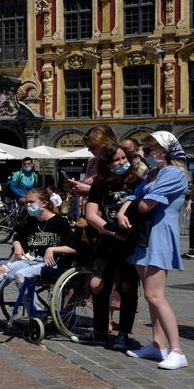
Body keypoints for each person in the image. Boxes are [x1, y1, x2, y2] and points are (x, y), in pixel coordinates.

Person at [117, 131, 188, 370]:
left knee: (155, 295)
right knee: (151, 296)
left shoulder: (174, 172)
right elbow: (134, 196)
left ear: (164, 150)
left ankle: (177, 349)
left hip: (159, 234)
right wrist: (121, 211)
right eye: (144, 150)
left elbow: (146, 205)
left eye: (148, 150)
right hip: (144, 235)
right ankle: (157, 344)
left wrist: (128, 206)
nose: (144, 155)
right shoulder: (155, 173)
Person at [0, 188, 76, 324]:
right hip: (30, 260)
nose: (28, 205)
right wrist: (17, 243)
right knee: (1, 271)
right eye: (26, 203)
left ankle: (37, 314)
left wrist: (53, 249)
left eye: (32, 202)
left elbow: (73, 248)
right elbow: (18, 236)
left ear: (44, 203)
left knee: (21, 275)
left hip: (51, 263)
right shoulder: (31, 221)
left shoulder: (60, 222)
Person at [79, 143, 142, 349]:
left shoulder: (137, 182)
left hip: (130, 243)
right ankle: (99, 332)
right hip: (108, 240)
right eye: (116, 160)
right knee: (96, 285)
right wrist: (112, 231)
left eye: (123, 158)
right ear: (107, 164)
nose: (121, 163)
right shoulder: (100, 184)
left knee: (127, 286)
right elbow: (90, 215)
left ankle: (123, 333)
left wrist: (126, 234)